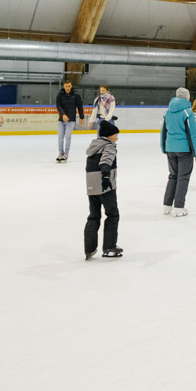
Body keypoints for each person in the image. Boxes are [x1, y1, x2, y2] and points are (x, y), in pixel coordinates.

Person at [84, 120, 122, 260]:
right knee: (112, 215)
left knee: (93, 216)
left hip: (91, 185)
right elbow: (106, 160)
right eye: (115, 135)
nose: (117, 137)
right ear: (109, 135)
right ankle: (109, 247)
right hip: (105, 185)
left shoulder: (94, 146)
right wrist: (106, 176)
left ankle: (89, 249)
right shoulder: (109, 146)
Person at [161, 88, 196, 217]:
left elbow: (163, 132)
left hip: (170, 148)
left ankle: (166, 206)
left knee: (173, 176)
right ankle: (179, 207)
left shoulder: (167, 112)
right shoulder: (188, 113)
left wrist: (164, 148)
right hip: (184, 150)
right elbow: (193, 135)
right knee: (183, 178)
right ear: (187, 98)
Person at [55, 80, 84, 163]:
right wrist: (63, 114)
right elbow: (58, 106)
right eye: (66, 86)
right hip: (61, 120)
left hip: (71, 120)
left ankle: (66, 154)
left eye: (69, 86)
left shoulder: (76, 96)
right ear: (64, 86)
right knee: (60, 137)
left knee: (68, 137)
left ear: (71, 86)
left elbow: (80, 106)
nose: (67, 88)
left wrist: (81, 117)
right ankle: (60, 153)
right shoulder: (59, 95)